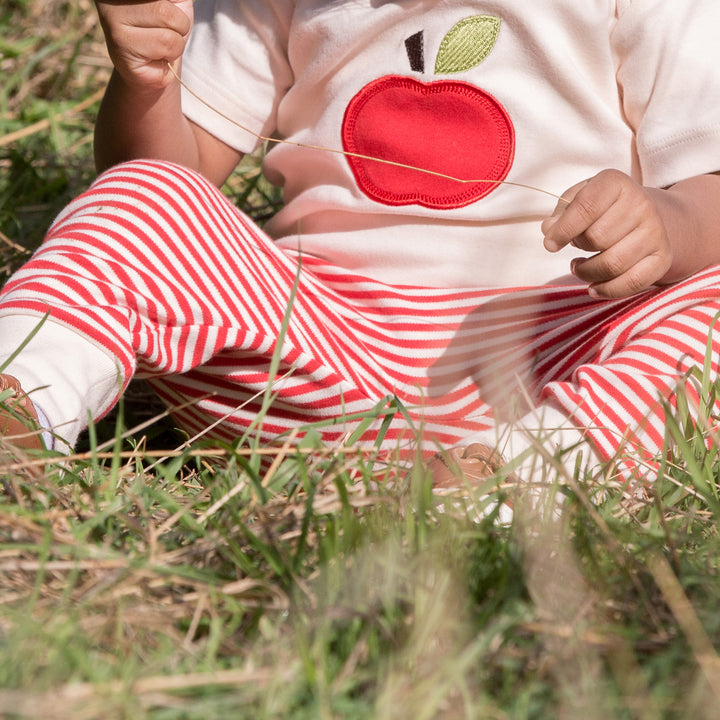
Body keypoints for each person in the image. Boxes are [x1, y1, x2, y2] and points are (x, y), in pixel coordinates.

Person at [2, 0, 720, 488]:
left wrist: (661, 225)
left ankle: (525, 475)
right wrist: (147, 82)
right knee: (146, 198)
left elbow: (705, 198)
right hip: (321, 352)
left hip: (556, 351)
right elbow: (167, 171)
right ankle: (23, 398)